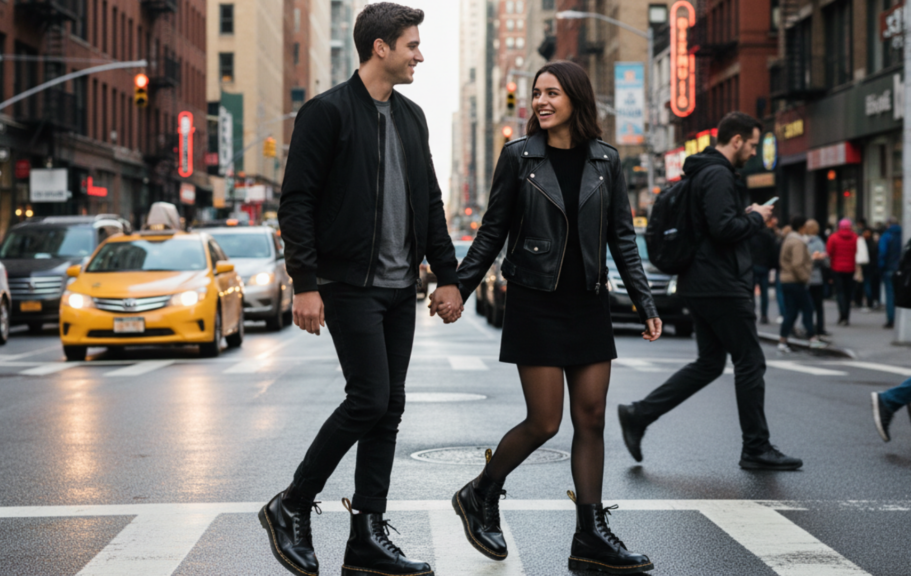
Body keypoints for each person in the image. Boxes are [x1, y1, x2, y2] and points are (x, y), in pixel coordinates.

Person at [263, 5, 460, 575]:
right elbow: (296, 201)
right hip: (348, 284)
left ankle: (366, 537)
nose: (419, 55)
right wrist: (304, 284)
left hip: (401, 287)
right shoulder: (326, 114)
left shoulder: (412, 117)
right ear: (380, 47)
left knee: (389, 408)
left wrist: (447, 275)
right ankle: (292, 503)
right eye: (412, 45)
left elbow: (429, 203)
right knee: (369, 399)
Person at [447, 61, 661, 575]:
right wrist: (458, 285)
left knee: (590, 418)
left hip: (587, 301)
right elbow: (492, 232)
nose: (540, 102)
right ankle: (481, 493)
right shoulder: (519, 157)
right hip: (535, 299)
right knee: (545, 421)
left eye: (552, 93)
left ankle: (590, 536)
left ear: (576, 100)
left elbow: (622, 239)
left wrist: (644, 300)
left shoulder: (607, 162)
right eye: (536, 94)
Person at [618, 112, 804, 472]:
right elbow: (722, 229)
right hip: (720, 284)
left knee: (708, 363)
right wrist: (755, 218)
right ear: (736, 140)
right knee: (750, 361)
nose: (753, 151)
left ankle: (639, 415)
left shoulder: (702, 172)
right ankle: (756, 447)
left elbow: (713, 224)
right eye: (751, 144)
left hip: (700, 282)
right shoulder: (718, 174)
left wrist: (743, 214)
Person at [778, 216, 827, 353]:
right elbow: (797, 264)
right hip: (795, 281)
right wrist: (805, 278)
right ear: (801, 227)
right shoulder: (797, 242)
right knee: (808, 308)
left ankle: (783, 342)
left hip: (787, 279)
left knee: (791, 312)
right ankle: (812, 338)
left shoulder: (789, 239)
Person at [827, 219, 859, 326]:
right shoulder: (855, 237)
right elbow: (857, 252)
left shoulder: (833, 237)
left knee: (840, 292)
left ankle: (842, 315)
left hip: (837, 268)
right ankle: (847, 317)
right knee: (848, 293)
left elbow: (829, 252)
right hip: (851, 268)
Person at [804, 219, 830, 337]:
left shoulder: (802, 241)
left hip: (804, 276)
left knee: (807, 305)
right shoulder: (819, 242)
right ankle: (820, 327)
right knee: (818, 305)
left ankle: (808, 327)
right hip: (817, 277)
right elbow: (825, 262)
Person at [750, 216, 778, 324]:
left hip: (752, 266)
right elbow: (773, 252)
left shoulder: (750, 235)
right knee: (764, 293)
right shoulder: (768, 236)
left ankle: (752, 313)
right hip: (764, 267)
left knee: (750, 292)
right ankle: (764, 315)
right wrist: (771, 266)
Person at [878, 217, 903, 329]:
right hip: (902, 270)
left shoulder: (886, 236)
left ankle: (891, 319)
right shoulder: (904, 234)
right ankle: (901, 320)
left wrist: (881, 267)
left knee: (890, 294)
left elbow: (882, 253)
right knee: (902, 294)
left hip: (889, 269)